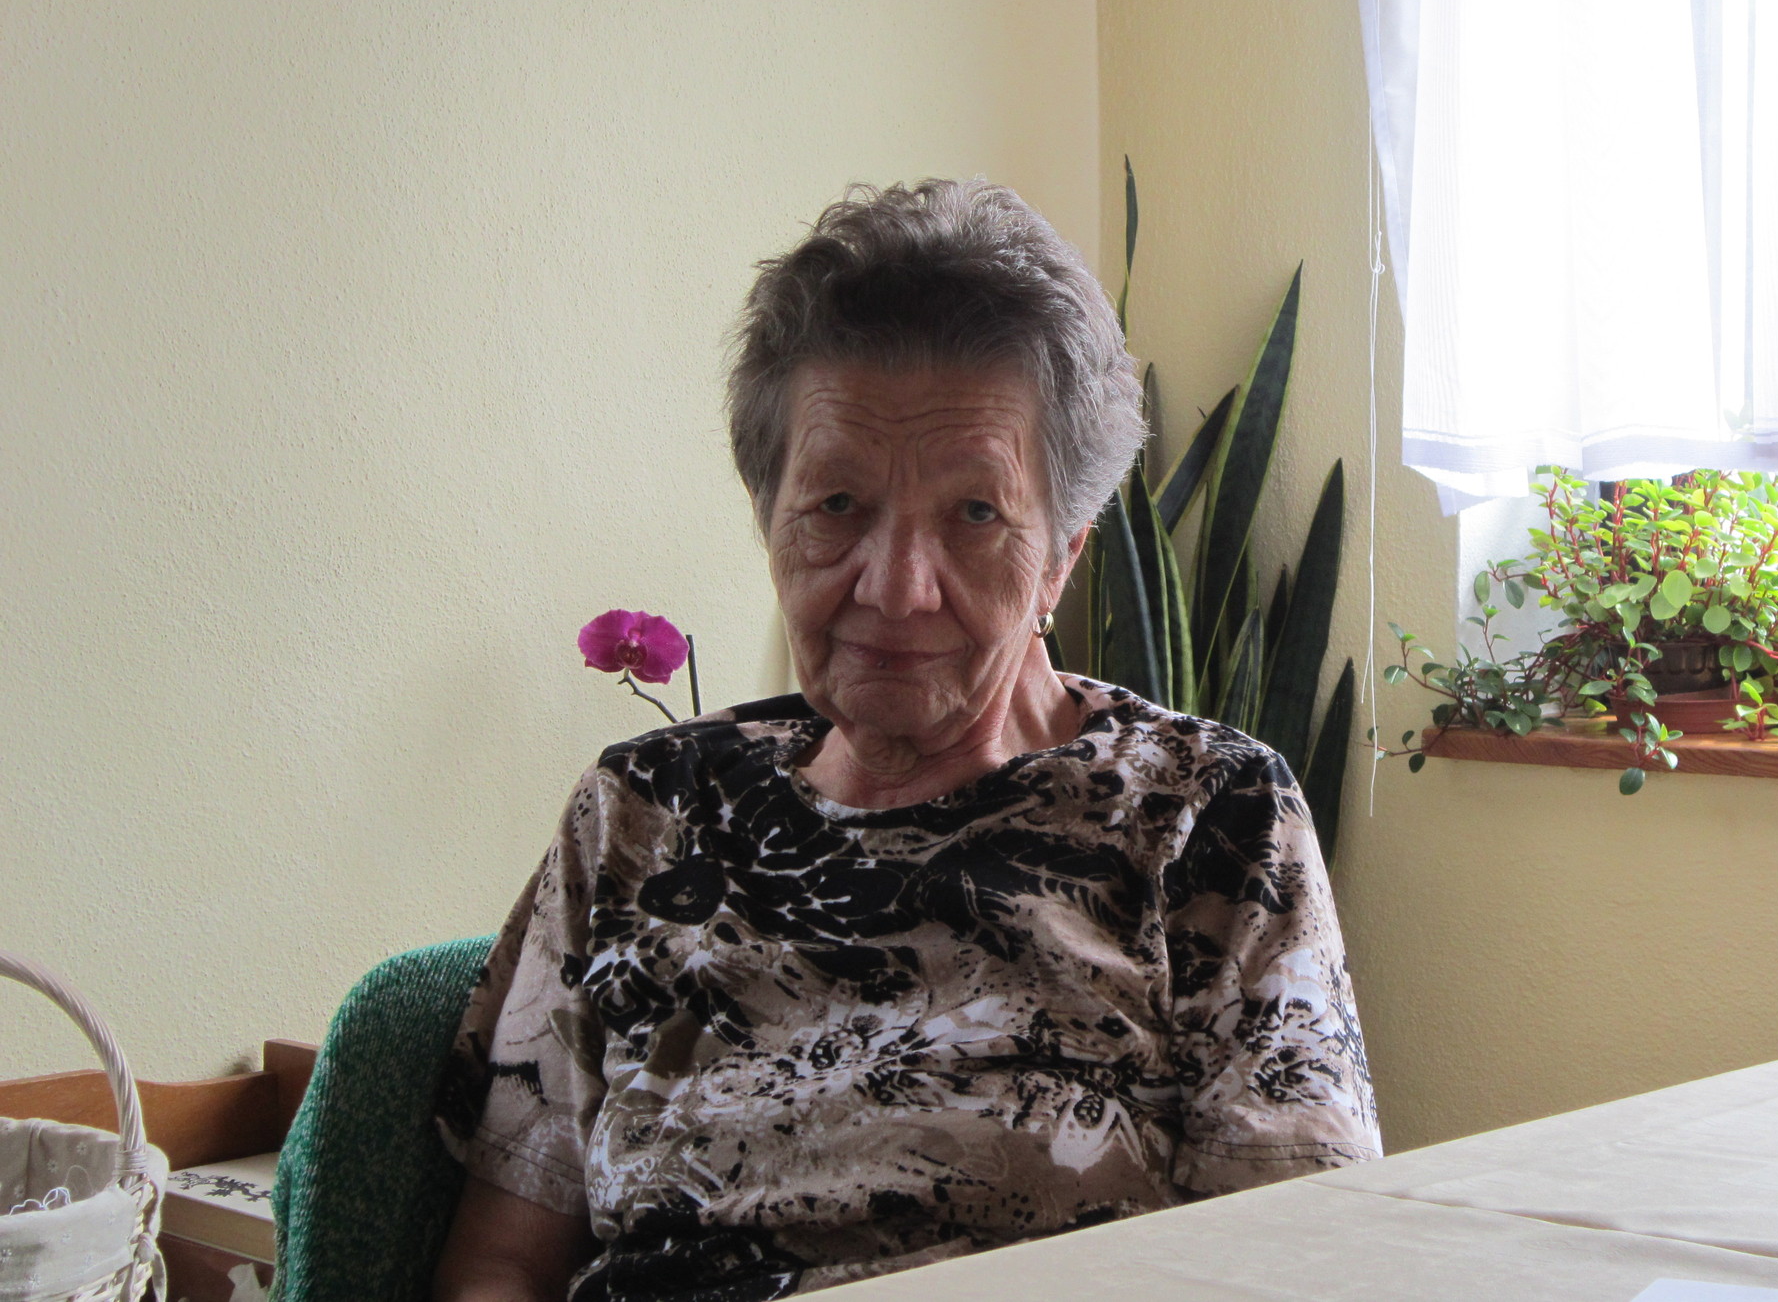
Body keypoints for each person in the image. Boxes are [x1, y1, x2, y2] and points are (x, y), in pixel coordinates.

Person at [432, 179, 1379, 1302]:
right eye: (836, 505)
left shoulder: (1206, 816)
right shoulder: (641, 811)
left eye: (975, 514)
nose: (895, 588)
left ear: (1062, 557)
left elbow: (1299, 1265)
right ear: (768, 514)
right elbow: (502, 1263)